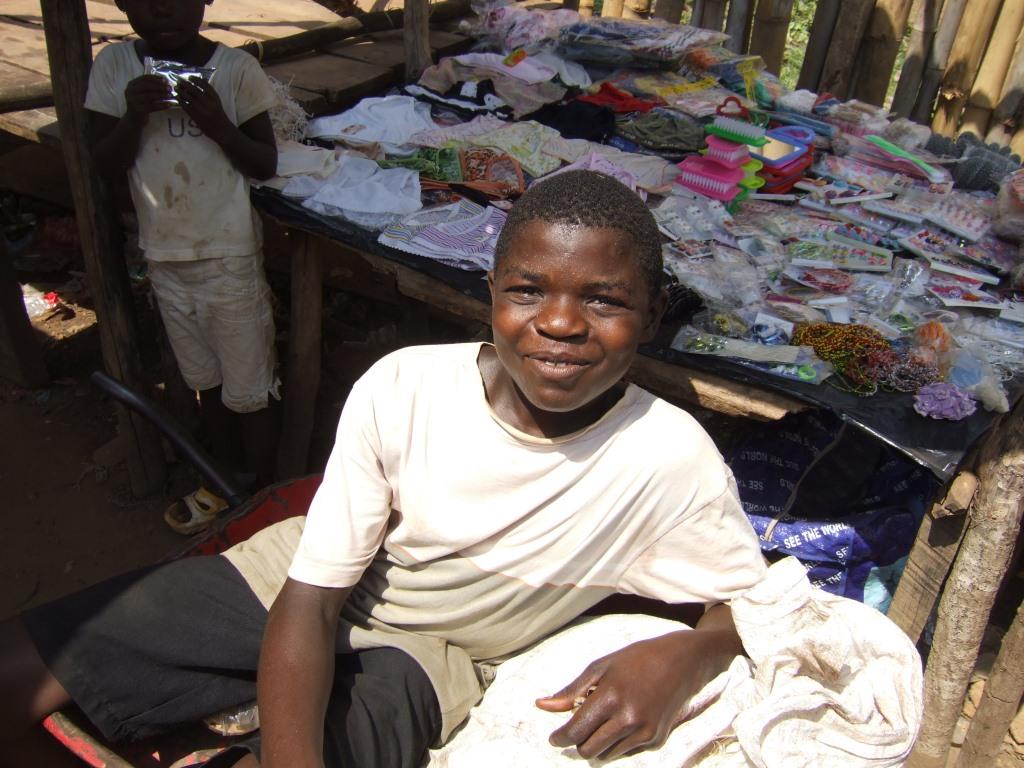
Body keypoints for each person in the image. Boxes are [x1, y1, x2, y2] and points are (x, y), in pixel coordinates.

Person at [0, 170, 766, 768]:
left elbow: (751, 604)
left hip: (436, 656)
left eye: (604, 299)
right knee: (21, 668)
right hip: (309, 582)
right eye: (529, 290)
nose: (560, 323)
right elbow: (311, 597)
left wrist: (686, 653)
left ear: (655, 315)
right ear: (490, 292)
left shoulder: (669, 458)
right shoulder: (407, 386)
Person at [86, 0, 281, 532]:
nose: (163, 9)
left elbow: (264, 163)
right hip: (164, 256)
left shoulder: (236, 69)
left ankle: (265, 496)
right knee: (205, 382)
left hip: (229, 255)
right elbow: (100, 163)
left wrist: (217, 122)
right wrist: (133, 116)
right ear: (123, 4)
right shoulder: (115, 67)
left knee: (251, 389)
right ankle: (222, 481)